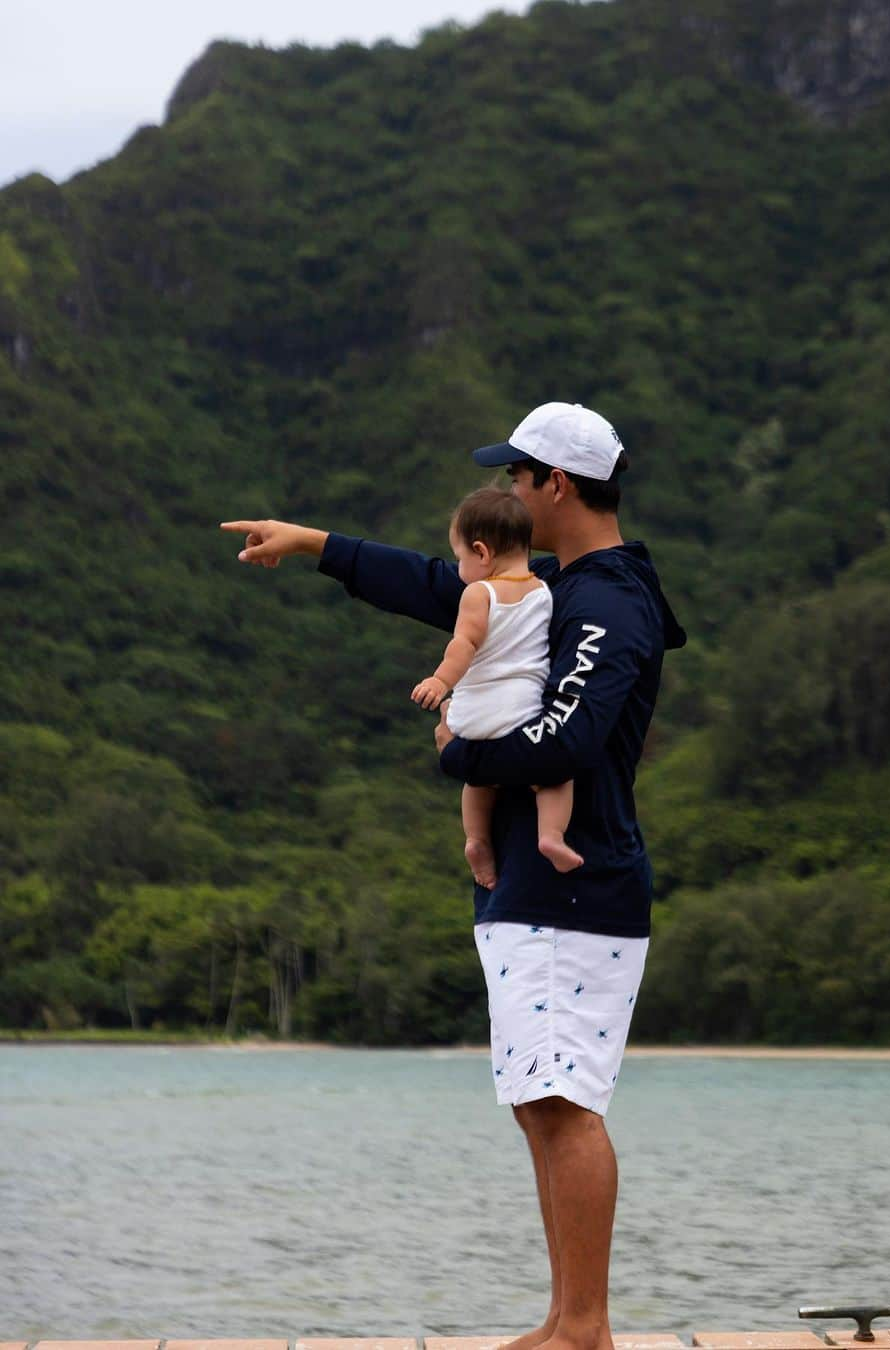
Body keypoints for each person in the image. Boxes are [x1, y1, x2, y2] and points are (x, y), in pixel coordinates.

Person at [220, 400, 686, 1350]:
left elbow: (578, 735)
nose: (507, 493)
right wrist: (317, 543)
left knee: (563, 1103)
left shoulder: (606, 602)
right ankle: (566, 1319)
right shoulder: (557, 585)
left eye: (516, 477)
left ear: (553, 484)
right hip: (531, 887)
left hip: (575, 886)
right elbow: (448, 587)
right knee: (537, 1103)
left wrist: (456, 757)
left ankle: (585, 1327)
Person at [411, 485, 583, 886]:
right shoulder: (543, 591)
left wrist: (440, 681)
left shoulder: (478, 593)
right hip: (523, 715)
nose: (458, 569)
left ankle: (476, 840)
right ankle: (551, 835)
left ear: (482, 552)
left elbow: (464, 645)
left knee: (477, 780)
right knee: (555, 775)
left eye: (459, 558)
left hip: (472, 717)